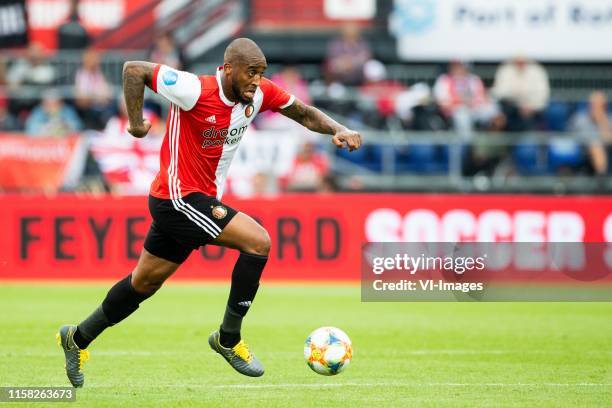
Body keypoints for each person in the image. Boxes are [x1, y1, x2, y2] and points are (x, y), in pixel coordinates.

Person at [56, 38, 362, 386]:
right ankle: (228, 338)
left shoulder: (259, 93)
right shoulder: (193, 88)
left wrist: (338, 128)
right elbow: (134, 70)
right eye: (251, 72)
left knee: (144, 282)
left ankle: (76, 338)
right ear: (228, 69)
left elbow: (304, 113)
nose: (257, 81)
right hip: (177, 197)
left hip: (193, 199)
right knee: (258, 242)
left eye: (261, 73)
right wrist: (137, 122)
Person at [433, 60, 500, 136]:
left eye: (461, 65)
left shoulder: (473, 79)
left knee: (494, 110)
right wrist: (460, 101)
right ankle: (468, 144)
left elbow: (481, 96)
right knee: (462, 114)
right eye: (457, 66)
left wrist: (473, 103)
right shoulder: (444, 80)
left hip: (475, 108)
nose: (459, 68)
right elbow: (442, 102)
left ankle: (492, 140)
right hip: (455, 110)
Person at [492, 56, 550, 131]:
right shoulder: (505, 70)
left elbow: (542, 95)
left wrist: (531, 107)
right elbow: (498, 92)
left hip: (533, 109)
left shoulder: (537, 71)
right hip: (511, 108)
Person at [568, 91, 611, 176]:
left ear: (605, 107)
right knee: (595, 145)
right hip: (582, 150)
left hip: (606, 151)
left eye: (599, 105)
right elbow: (569, 137)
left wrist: (601, 121)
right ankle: (602, 177)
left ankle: (601, 175)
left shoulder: (609, 120)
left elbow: (609, 140)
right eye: (593, 104)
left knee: (596, 145)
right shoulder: (579, 119)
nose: (595, 107)